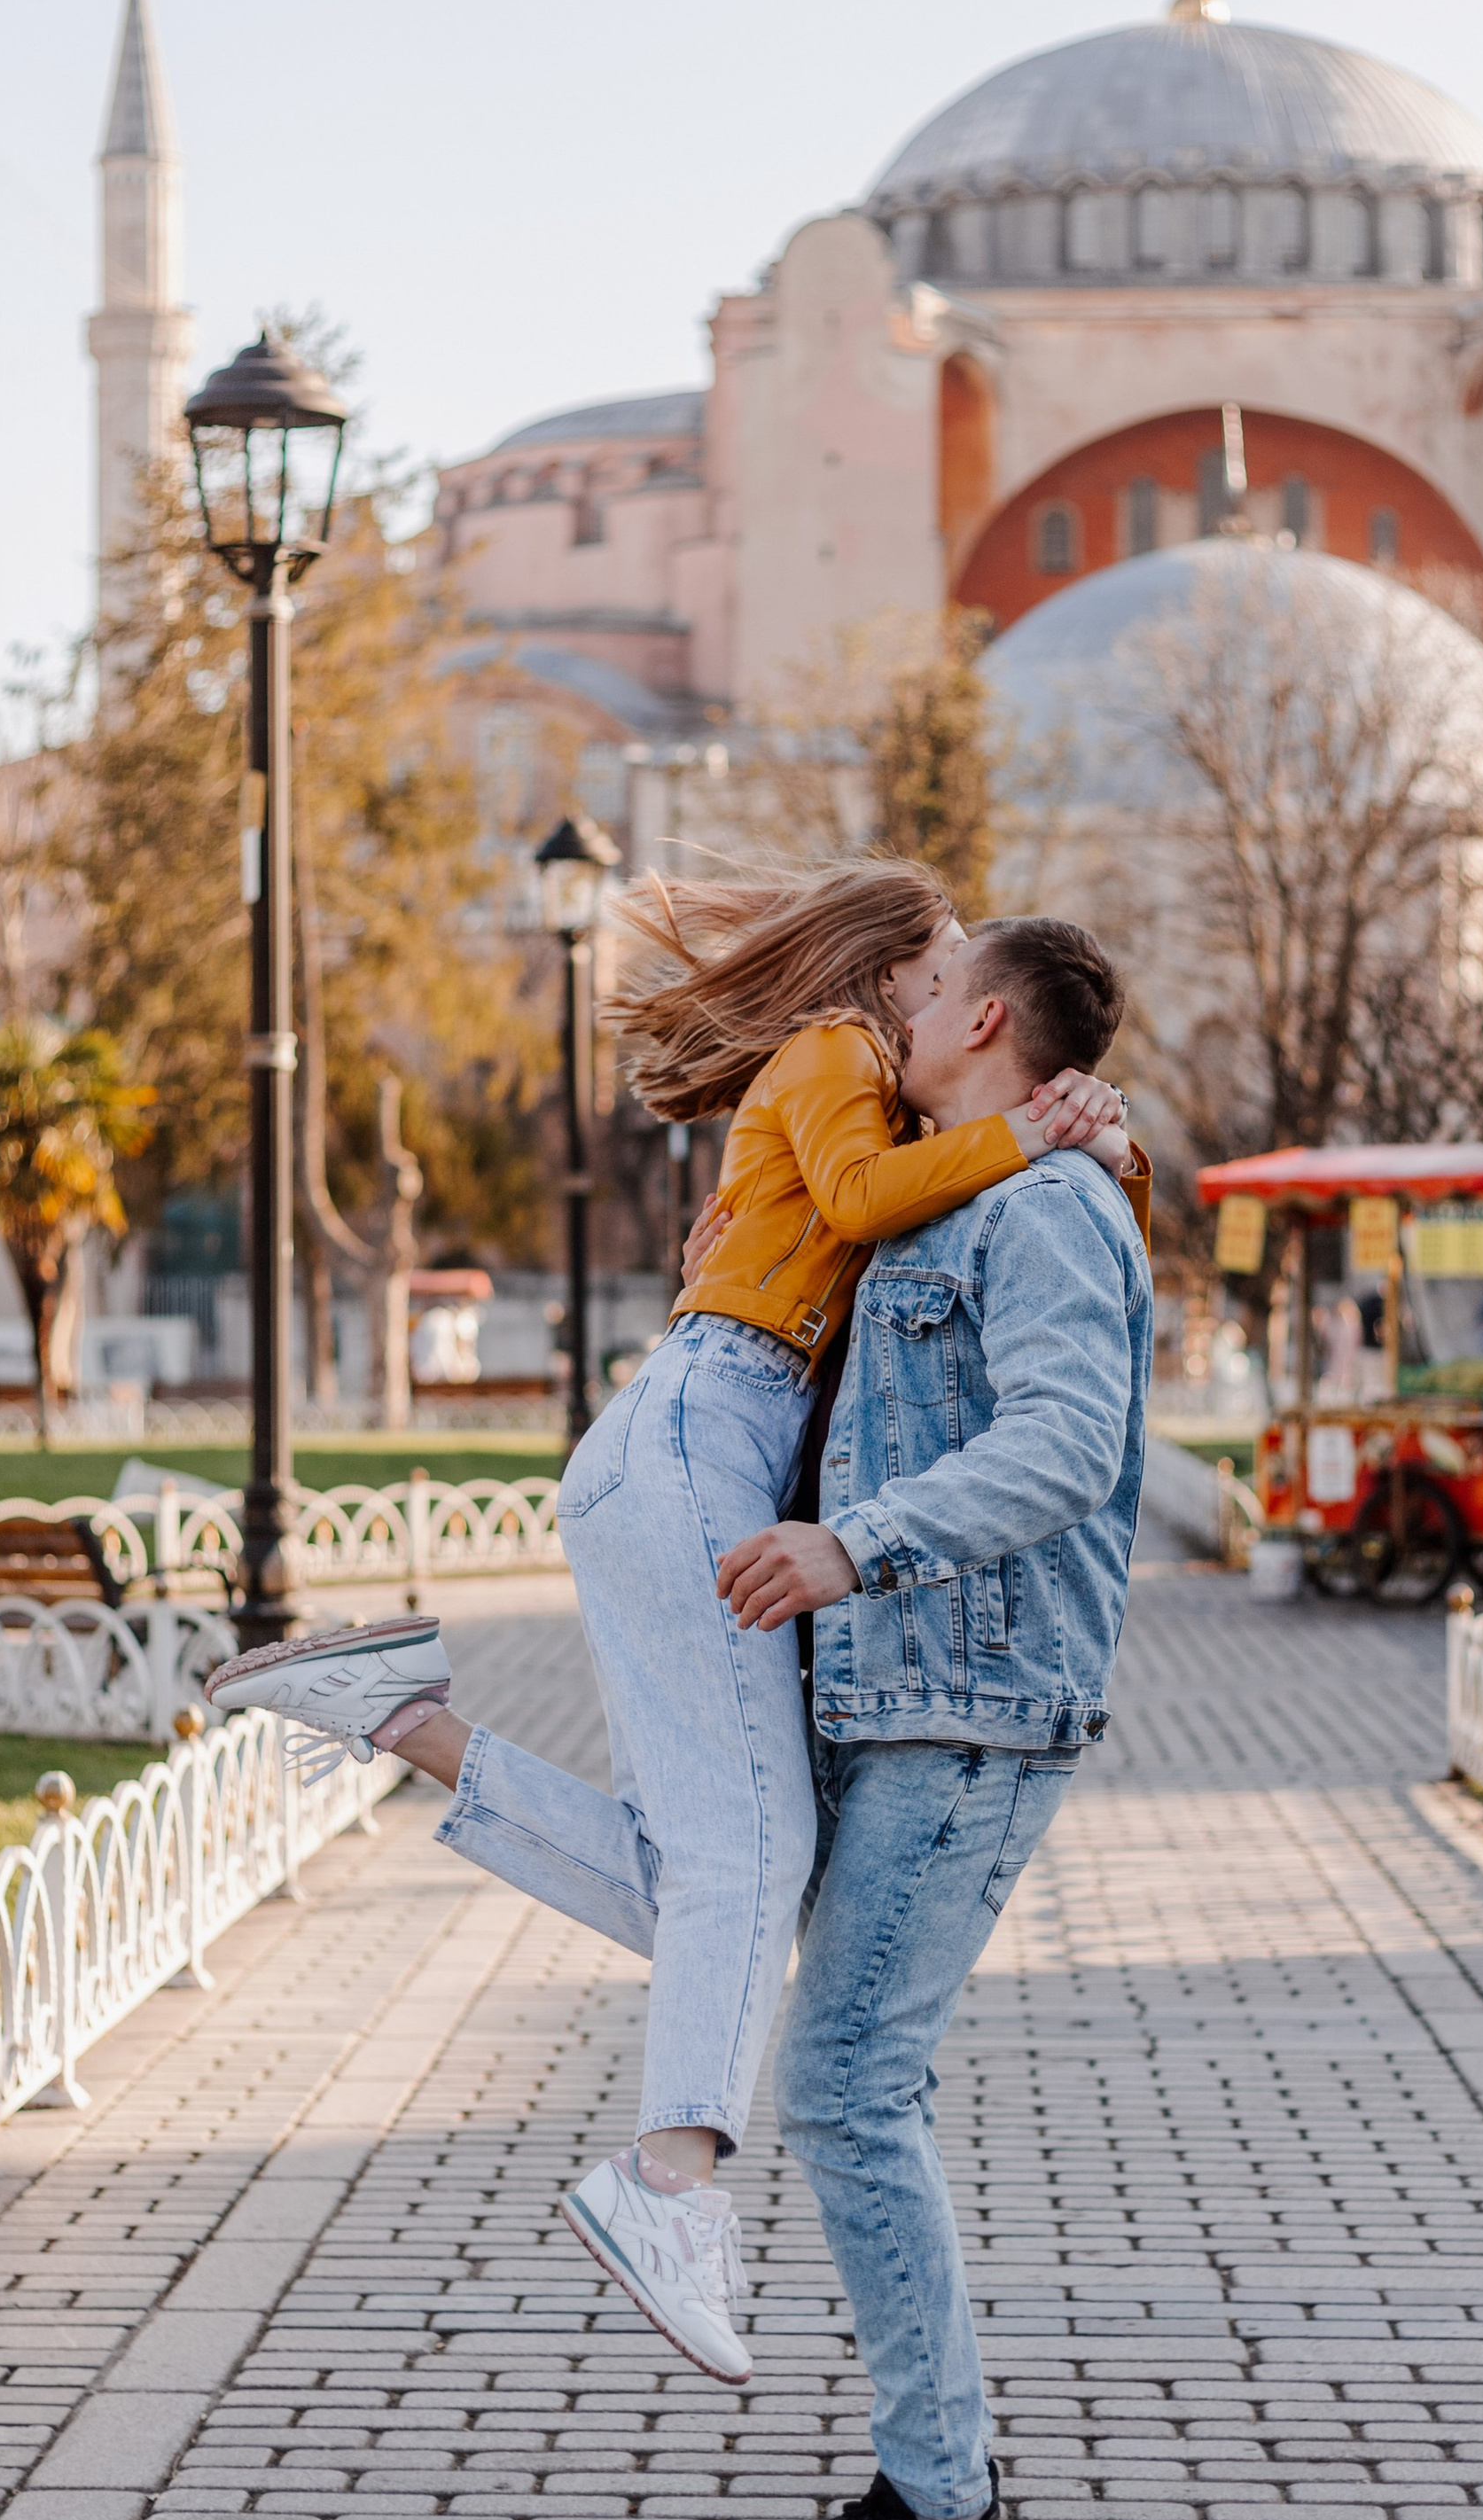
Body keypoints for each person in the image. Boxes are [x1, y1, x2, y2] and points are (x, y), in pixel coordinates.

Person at [202, 862, 1133, 2390]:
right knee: (748, 1864)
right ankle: (671, 2180)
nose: (950, 972)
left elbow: (930, 1227)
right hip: (697, 1447)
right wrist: (1036, 1123)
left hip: (701, 1450)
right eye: (943, 948)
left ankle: (393, 1714)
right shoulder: (837, 1059)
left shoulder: (913, 1122)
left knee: (720, 1882)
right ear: (897, 972)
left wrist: (1090, 1130)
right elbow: (858, 1202)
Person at [707, 914, 1151, 2520]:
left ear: (979, 1018)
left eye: (918, 975)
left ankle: (943, 2510)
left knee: (844, 2085)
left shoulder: (1042, 1211)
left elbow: (1062, 1445)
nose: (888, 994)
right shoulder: (967, 1189)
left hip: (968, 1707)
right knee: (751, 1968)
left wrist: (854, 1545)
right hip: (890, 1695)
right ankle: (939, 2486)